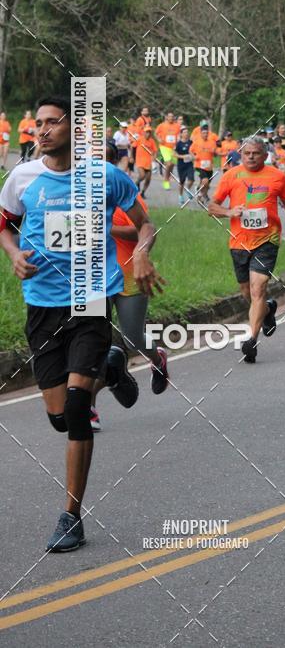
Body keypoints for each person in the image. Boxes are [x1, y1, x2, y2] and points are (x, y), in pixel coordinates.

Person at [0, 96, 160, 551]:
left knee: (75, 408)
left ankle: (71, 516)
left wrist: (143, 254)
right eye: (38, 125)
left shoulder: (105, 176)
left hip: (92, 297)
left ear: (74, 128)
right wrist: (13, 255)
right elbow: (4, 225)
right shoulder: (22, 178)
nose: (42, 131)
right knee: (57, 417)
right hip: (42, 306)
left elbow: (145, 224)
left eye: (53, 123)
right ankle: (110, 367)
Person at [90, 144, 169, 431]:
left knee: (133, 337)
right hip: (93, 277)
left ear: (113, 163)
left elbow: (144, 228)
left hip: (128, 272)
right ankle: (89, 407)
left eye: (98, 157)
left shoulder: (123, 190)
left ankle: (157, 357)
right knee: (90, 343)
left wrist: (104, 229)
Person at [208, 138, 285, 363]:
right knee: (247, 293)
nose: (251, 157)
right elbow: (212, 207)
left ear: (264, 155)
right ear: (241, 155)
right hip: (239, 242)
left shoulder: (277, 176)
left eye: (256, 153)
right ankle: (268, 311)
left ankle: (251, 340)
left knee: (258, 288)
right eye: (247, 153)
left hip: (267, 240)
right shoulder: (231, 175)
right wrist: (229, 212)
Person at [191, 124, 218, 203]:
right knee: (205, 181)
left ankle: (199, 195)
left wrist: (214, 152)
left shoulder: (212, 142)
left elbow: (215, 154)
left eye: (207, 133)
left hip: (209, 167)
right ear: (201, 133)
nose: (205, 134)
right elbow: (190, 151)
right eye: (203, 133)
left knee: (206, 185)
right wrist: (193, 157)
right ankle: (200, 195)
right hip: (198, 166)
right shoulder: (196, 142)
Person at [155, 112, 180, 190]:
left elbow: (179, 135)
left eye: (172, 116)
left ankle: (168, 178)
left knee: (172, 164)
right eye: (169, 116)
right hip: (164, 147)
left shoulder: (177, 126)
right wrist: (159, 139)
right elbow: (155, 133)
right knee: (168, 164)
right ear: (167, 117)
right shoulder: (162, 125)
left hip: (173, 148)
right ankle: (166, 180)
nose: (171, 118)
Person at [175, 126, 195, 207]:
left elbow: (195, 151)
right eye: (185, 132)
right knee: (182, 181)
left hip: (189, 164)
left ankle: (187, 190)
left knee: (191, 180)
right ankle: (180, 196)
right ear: (181, 134)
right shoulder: (178, 143)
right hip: (181, 165)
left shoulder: (191, 142)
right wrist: (182, 157)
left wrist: (193, 156)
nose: (187, 134)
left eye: (187, 132)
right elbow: (174, 154)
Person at [135, 126, 157, 197]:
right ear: (144, 132)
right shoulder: (139, 139)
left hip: (148, 162)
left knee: (148, 179)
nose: (148, 134)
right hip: (140, 161)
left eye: (149, 132)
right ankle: (136, 183)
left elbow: (155, 151)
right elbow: (133, 147)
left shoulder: (152, 141)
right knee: (142, 175)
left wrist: (154, 158)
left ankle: (143, 192)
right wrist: (131, 157)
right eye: (147, 132)